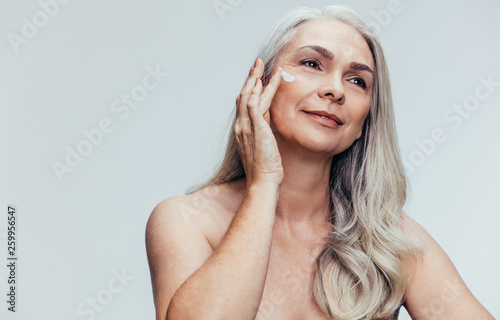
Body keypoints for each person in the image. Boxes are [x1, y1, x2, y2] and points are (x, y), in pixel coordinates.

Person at [145, 5, 494, 320]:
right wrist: (264, 183)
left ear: (364, 124)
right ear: (261, 86)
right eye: (312, 64)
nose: (335, 90)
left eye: (357, 81)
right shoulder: (187, 221)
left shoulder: (392, 240)